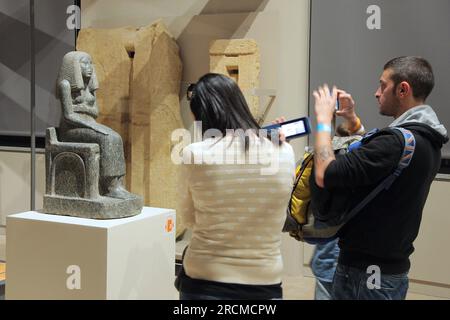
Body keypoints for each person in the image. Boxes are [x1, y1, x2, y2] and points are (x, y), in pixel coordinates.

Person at [312, 56, 448, 300]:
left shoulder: (395, 142)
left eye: (382, 85)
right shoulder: (427, 139)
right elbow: (374, 163)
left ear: (403, 89)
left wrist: (322, 123)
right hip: (386, 271)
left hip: (364, 274)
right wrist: (352, 121)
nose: (376, 93)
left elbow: (325, 174)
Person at [176, 73, 295, 300]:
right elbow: (279, 211)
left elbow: (189, 218)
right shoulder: (284, 152)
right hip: (265, 283)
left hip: (204, 281)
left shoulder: (195, 154)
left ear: (200, 115)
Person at [57, 51, 132, 199]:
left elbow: (95, 111)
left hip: (88, 125)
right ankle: (110, 187)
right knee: (107, 139)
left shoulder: (89, 86)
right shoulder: (65, 85)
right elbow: (69, 115)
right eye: (84, 63)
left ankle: (118, 183)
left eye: (90, 63)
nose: (89, 67)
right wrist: (91, 124)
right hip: (70, 130)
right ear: (74, 67)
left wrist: (85, 114)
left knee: (116, 137)